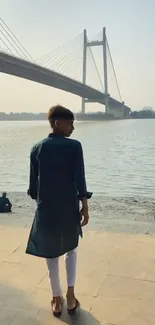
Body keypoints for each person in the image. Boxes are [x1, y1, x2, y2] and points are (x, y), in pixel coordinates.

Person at [26, 105, 92, 317]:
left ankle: (56, 298)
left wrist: (43, 201)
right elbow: (79, 178)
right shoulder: (74, 147)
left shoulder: (36, 148)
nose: (73, 127)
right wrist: (85, 205)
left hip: (46, 209)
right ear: (58, 123)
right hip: (68, 207)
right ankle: (71, 298)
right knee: (71, 249)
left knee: (51, 253)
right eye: (70, 123)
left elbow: (32, 188)